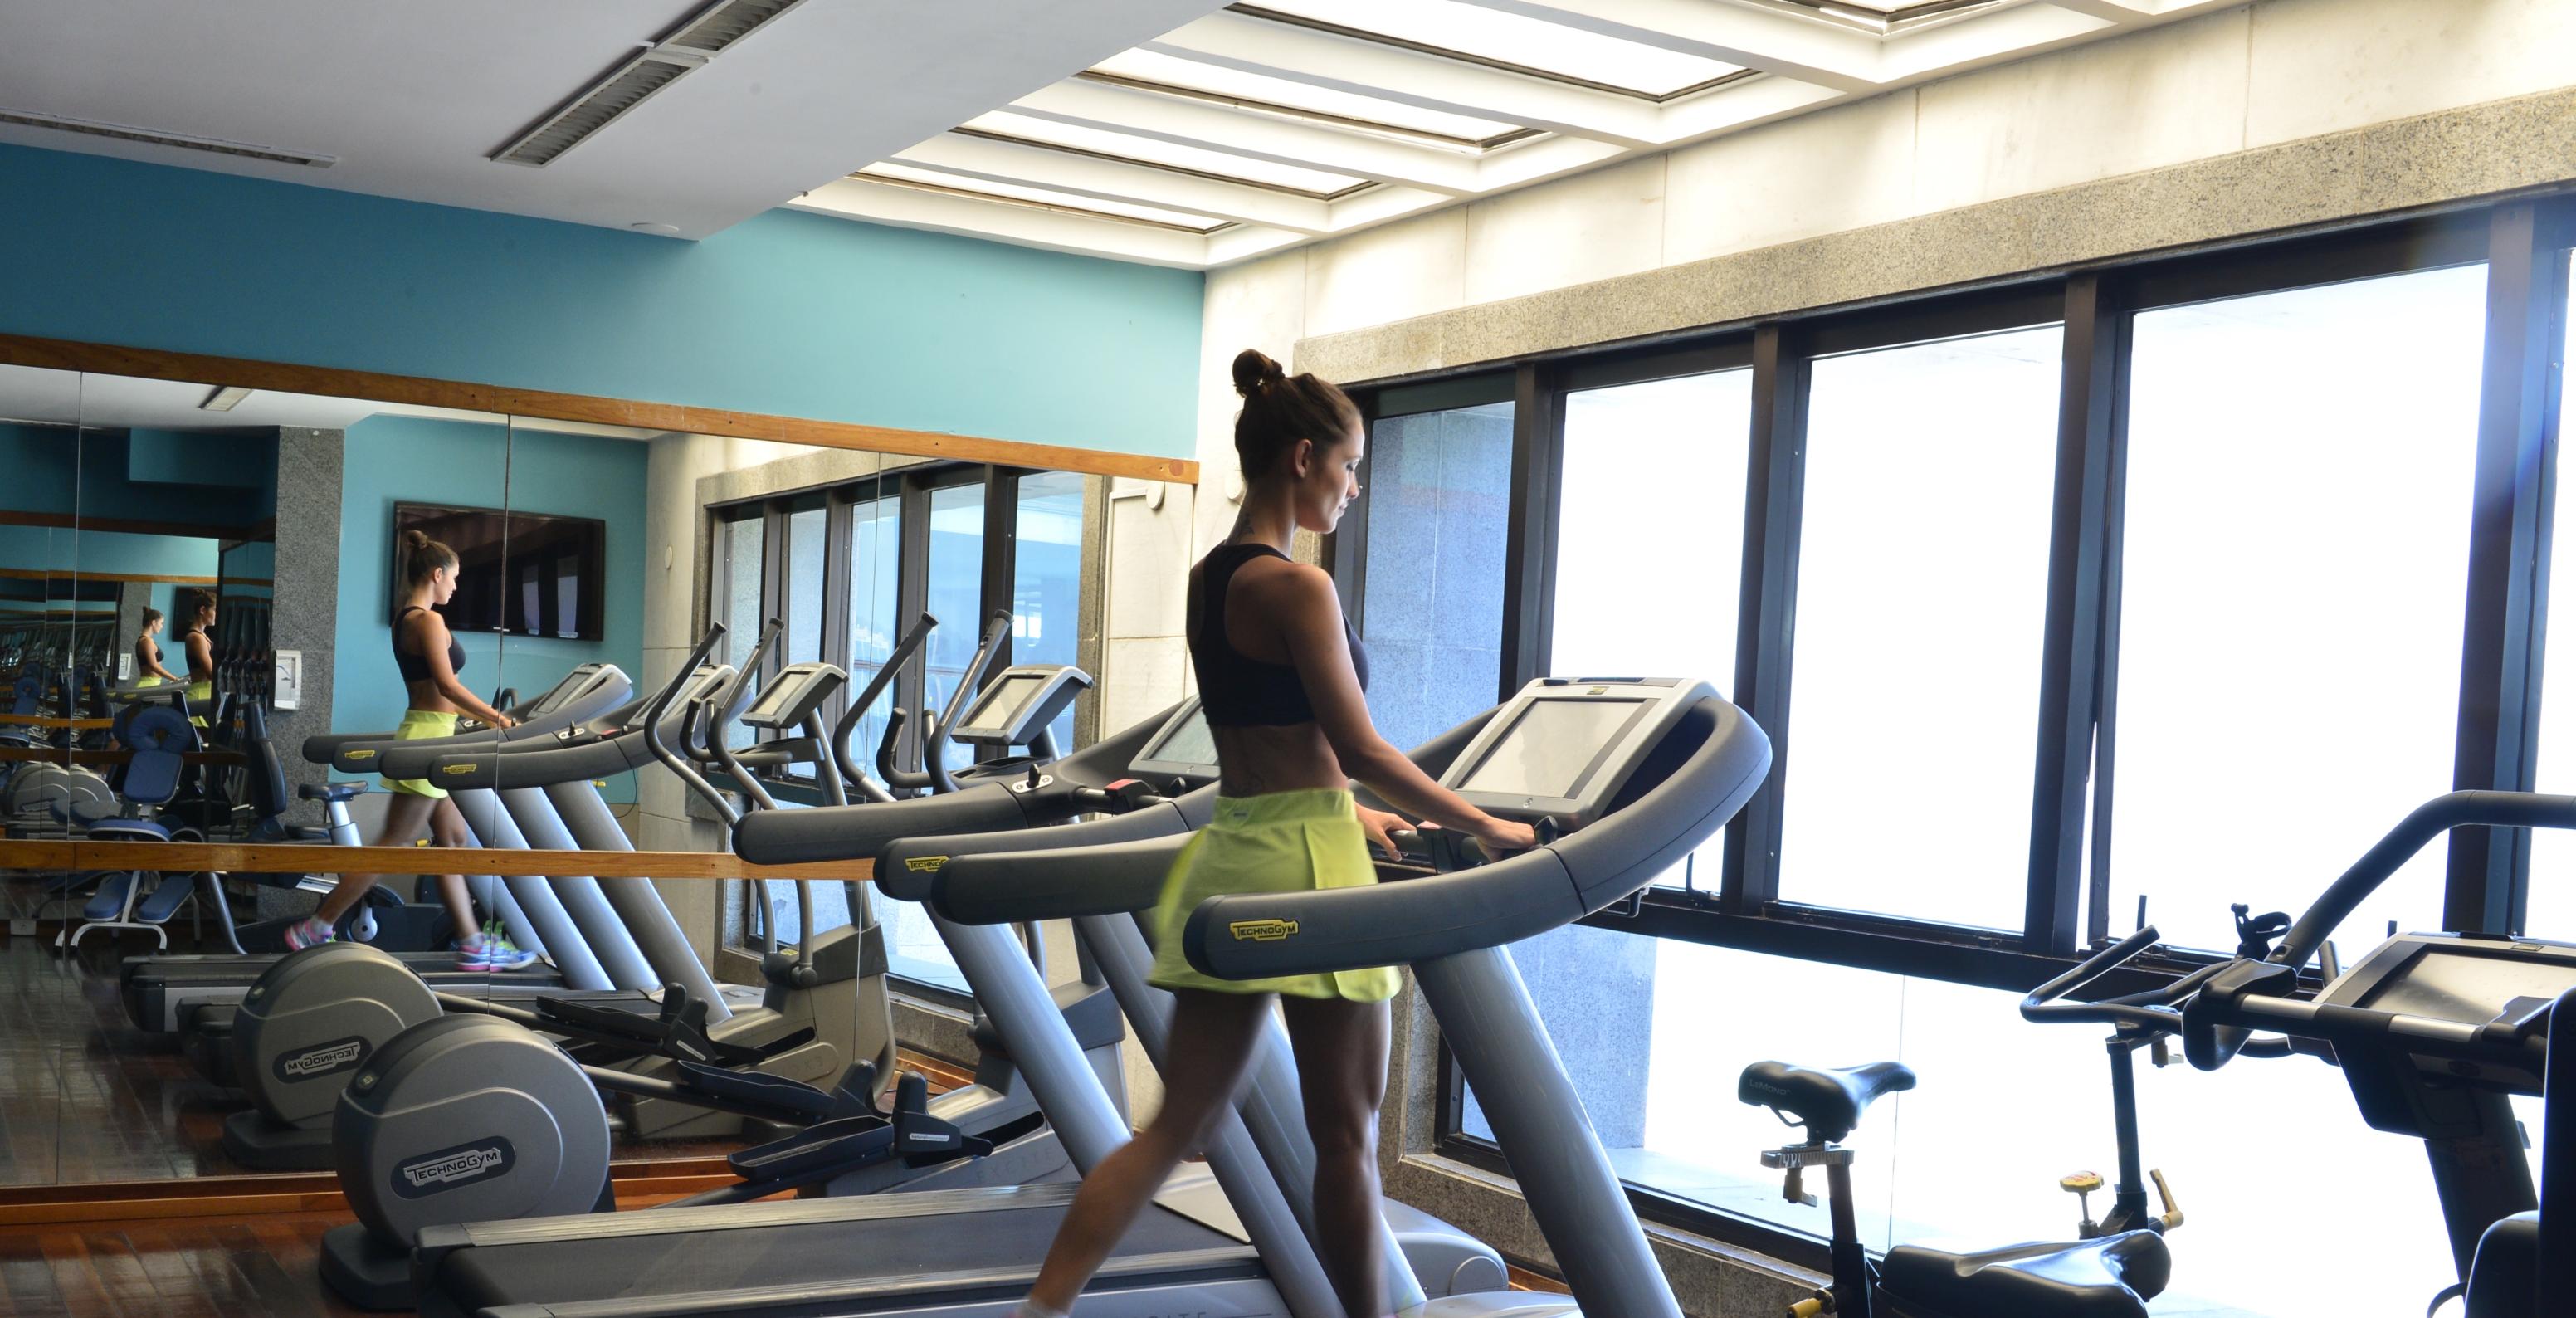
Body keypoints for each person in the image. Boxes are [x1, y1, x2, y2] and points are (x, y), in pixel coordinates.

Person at [1013, 350, 1539, 1318]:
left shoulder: (1210, 577)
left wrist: (1359, 808)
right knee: (1345, 1136)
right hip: (1310, 872)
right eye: (1349, 467)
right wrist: (1484, 822)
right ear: (1303, 457)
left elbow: (1275, 739)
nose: (1352, 489)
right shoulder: (1300, 588)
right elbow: (1360, 745)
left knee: (1175, 1127)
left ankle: (1041, 1307)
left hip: (1233, 858)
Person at [282, 530, 537, 971]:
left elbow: (439, 694)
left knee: (452, 840)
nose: (455, 588)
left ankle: (473, 944)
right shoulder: (427, 621)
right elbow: (446, 685)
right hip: (428, 740)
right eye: (453, 579)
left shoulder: (408, 617)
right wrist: (496, 718)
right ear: (437, 574)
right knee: (394, 844)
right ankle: (316, 926)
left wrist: (480, 719)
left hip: (434, 733)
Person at [170, 589, 221, 727]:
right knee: (200, 747)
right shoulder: (195, 638)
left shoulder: (202, 636)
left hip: (207, 694)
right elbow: (211, 672)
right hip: (200, 695)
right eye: (215, 610)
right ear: (203, 610)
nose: (218, 614)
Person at [133, 607, 182, 687]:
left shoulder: (147, 641)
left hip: (153, 683)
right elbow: (154, 666)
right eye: (161, 623)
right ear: (153, 622)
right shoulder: (146, 642)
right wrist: (175, 679)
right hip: (148, 684)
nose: (162, 626)